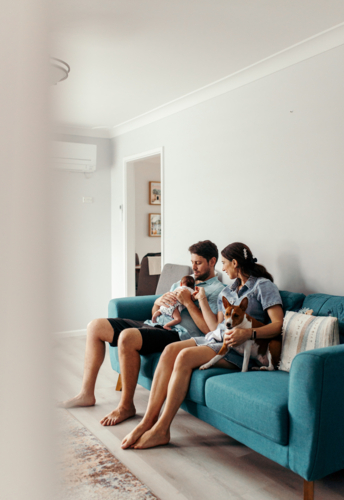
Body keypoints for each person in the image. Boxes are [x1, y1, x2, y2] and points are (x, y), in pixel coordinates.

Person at [121, 242, 284, 450]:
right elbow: (215, 327)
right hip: (217, 338)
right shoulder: (229, 291)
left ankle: (162, 428)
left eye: (225, 264)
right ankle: (147, 422)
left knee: (184, 357)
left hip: (242, 349)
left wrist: (248, 333)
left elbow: (278, 325)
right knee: (170, 350)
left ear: (235, 263)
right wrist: (201, 302)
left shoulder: (263, 286)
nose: (223, 269)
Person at [61, 240, 225, 427]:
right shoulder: (181, 282)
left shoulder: (218, 291)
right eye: (192, 262)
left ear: (212, 262)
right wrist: (160, 301)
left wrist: (188, 303)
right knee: (95, 326)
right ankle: (86, 394)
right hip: (153, 324)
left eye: (198, 263)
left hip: (177, 334)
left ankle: (126, 406)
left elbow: (209, 330)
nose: (193, 267)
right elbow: (155, 309)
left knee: (127, 337)